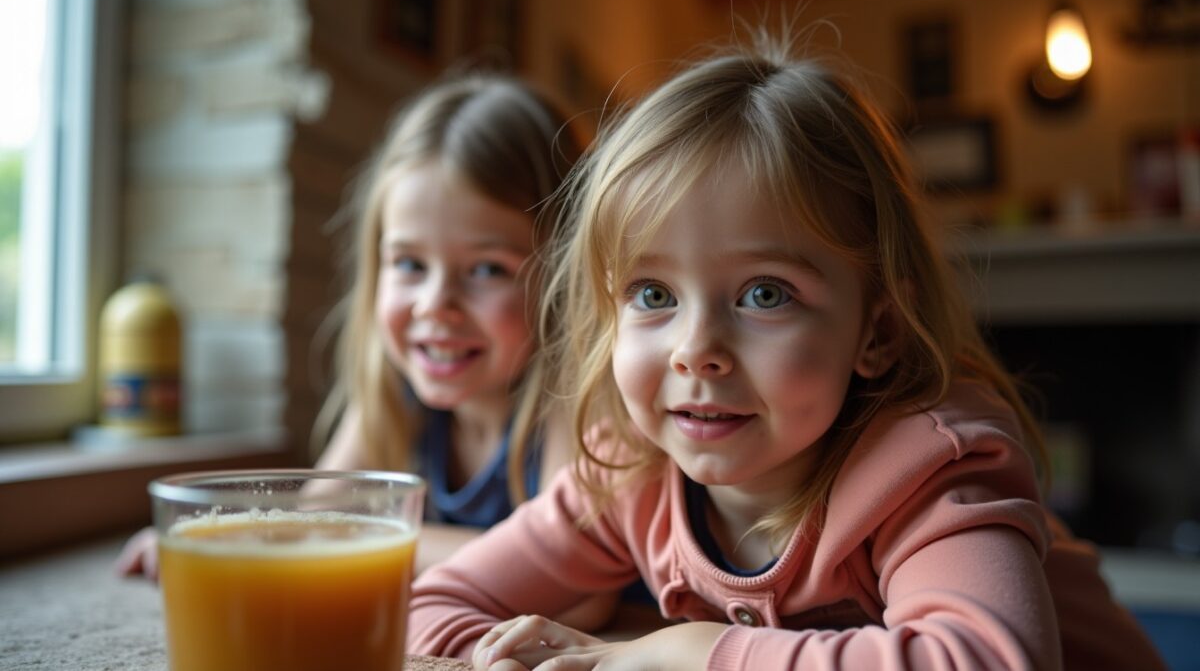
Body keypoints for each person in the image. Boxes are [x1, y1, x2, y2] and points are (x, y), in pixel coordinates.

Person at [406, 40, 1166, 670]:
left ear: (877, 332)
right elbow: (428, 606)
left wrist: (691, 654)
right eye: (652, 294)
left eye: (765, 294)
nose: (696, 351)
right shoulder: (627, 473)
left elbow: (984, 661)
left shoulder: (929, 466)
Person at [115, 76, 608, 626]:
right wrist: (243, 541)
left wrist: (360, 535)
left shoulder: (578, 398)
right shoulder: (396, 391)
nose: (434, 306)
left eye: (487, 269)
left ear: (566, 277)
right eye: (409, 265)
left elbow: (579, 591)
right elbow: (318, 515)